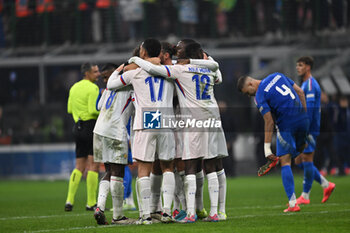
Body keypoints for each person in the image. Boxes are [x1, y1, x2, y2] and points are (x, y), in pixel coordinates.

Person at [128, 41, 220, 222]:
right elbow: (216, 71)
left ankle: (188, 208)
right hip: (174, 121)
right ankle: (169, 209)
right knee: (168, 166)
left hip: (179, 121)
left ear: (166, 55)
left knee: (183, 165)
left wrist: (134, 61)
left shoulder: (175, 69)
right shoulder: (175, 69)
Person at [107, 38, 176, 225]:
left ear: (143, 53)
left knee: (144, 169)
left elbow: (111, 84)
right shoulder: (169, 71)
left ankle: (145, 216)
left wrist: (121, 67)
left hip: (145, 122)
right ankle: (167, 212)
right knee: (168, 167)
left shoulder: (135, 73)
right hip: (166, 121)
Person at [237, 72, 310, 212]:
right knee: (300, 153)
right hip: (303, 119)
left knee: (285, 161)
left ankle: (293, 204)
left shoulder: (259, 95)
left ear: (250, 84)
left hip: (287, 125)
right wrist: (305, 115)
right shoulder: (278, 75)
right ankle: (322, 184)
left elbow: (269, 121)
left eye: (247, 92)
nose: (249, 95)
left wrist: (267, 149)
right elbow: (300, 91)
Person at [92, 63, 134, 225]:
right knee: (118, 172)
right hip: (115, 131)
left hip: (99, 130)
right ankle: (118, 216)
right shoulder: (130, 86)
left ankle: (100, 207)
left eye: (106, 76)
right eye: (103, 77)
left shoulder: (108, 89)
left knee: (109, 171)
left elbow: (99, 106)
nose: (105, 80)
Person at [294, 56, 335, 205]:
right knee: (298, 160)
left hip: (309, 129)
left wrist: (304, 129)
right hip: (305, 128)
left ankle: (305, 196)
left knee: (306, 159)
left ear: (308, 67)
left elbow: (310, 110)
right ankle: (326, 184)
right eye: (297, 65)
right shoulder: (305, 84)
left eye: (300, 65)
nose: (298, 68)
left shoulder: (310, 85)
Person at [65, 62, 101, 211]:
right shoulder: (93, 88)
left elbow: (69, 109)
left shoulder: (74, 87)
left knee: (79, 166)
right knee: (94, 165)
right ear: (87, 73)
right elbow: (93, 110)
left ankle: (69, 201)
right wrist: (105, 111)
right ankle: (91, 202)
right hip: (91, 127)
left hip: (77, 128)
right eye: (95, 72)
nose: (98, 74)